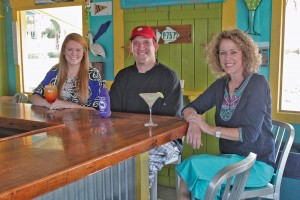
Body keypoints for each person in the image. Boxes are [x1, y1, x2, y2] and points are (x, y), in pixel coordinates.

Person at [176, 29, 276, 200]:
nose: (227, 58)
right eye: (222, 53)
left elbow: (249, 135)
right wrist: (193, 121)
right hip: (229, 161)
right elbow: (190, 107)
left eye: (233, 52)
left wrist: (207, 128)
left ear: (245, 54)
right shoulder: (221, 85)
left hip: (255, 165)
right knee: (200, 184)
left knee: (190, 168)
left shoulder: (258, 84)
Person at [109, 25, 183, 189]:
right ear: (131, 48)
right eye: (136, 43)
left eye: (146, 42)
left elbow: (168, 121)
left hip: (165, 140)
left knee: (140, 168)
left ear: (155, 46)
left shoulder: (168, 77)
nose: (141, 48)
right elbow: (114, 116)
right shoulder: (122, 76)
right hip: (128, 140)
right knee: (102, 164)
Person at [31, 33, 101, 110]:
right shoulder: (55, 71)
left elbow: (96, 110)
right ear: (64, 51)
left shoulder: (93, 74)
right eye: (70, 49)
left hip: (84, 121)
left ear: (84, 53)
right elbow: (34, 97)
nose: (74, 53)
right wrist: (47, 103)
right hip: (56, 121)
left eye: (78, 50)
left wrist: (68, 105)